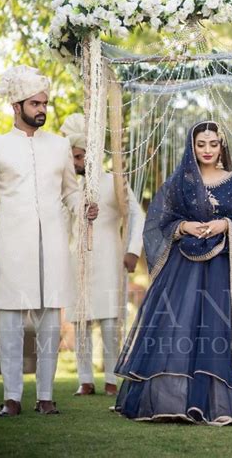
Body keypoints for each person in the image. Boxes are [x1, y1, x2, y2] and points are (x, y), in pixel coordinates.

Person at [113, 121, 232, 425]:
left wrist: (225, 224)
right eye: (201, 144)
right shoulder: (181, 182)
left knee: (221, 330)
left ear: (221, 145)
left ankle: (227, 400)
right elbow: (159, 222)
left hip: (226, 268)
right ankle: (176, 399)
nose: (208, 150)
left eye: (213, 144)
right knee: (181, 330)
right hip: (184, 269)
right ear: (192, 146)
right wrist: (183, 226)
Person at [0, 66, 98, 417]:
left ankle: (45, 397)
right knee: (11, 326)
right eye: (35, 103)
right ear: (16, 106)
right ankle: (12, 397)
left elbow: (70, 195)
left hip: (53, 248)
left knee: (50, 324)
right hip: (12, 249)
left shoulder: (60, 147)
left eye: (45, 103)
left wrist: (83, 208)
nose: (42, 109)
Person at [60, 113, 145, 397]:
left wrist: (132, 251)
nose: (75, 163)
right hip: (76, 260)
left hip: (110, 256)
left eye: (79, 156)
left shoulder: (114, 181)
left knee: (109, 321)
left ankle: (111, 378)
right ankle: (85, 380)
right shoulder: (68, 187)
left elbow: (137, 214)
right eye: (72, 157)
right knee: (80, 320)